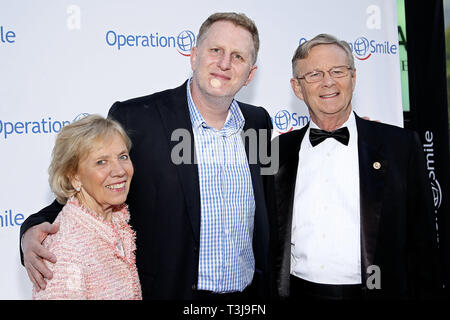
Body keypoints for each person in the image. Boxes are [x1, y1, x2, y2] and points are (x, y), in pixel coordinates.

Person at [20, 12, 276, 300]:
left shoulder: (258, 122)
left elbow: (268, 205)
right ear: (193, 56)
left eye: (238, 56)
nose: (225, 63)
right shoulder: (137, 119)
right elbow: (88, 190)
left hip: (248, 297)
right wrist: (31, 230)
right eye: (215, 50)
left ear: (250, 74)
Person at [274, 33, 439, 300]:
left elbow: (423, 244)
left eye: (338, 71)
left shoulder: (400, 146)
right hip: (297, 291)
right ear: (297, 87)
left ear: (353, 77)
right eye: (314, 74)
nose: (328, 82)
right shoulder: (277, 150)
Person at [31, 114, 141, 300]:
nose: (120, 171)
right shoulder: (65, 251)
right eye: (101, 162)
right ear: (74, 177)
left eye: (123, 156)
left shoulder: (116, 222)